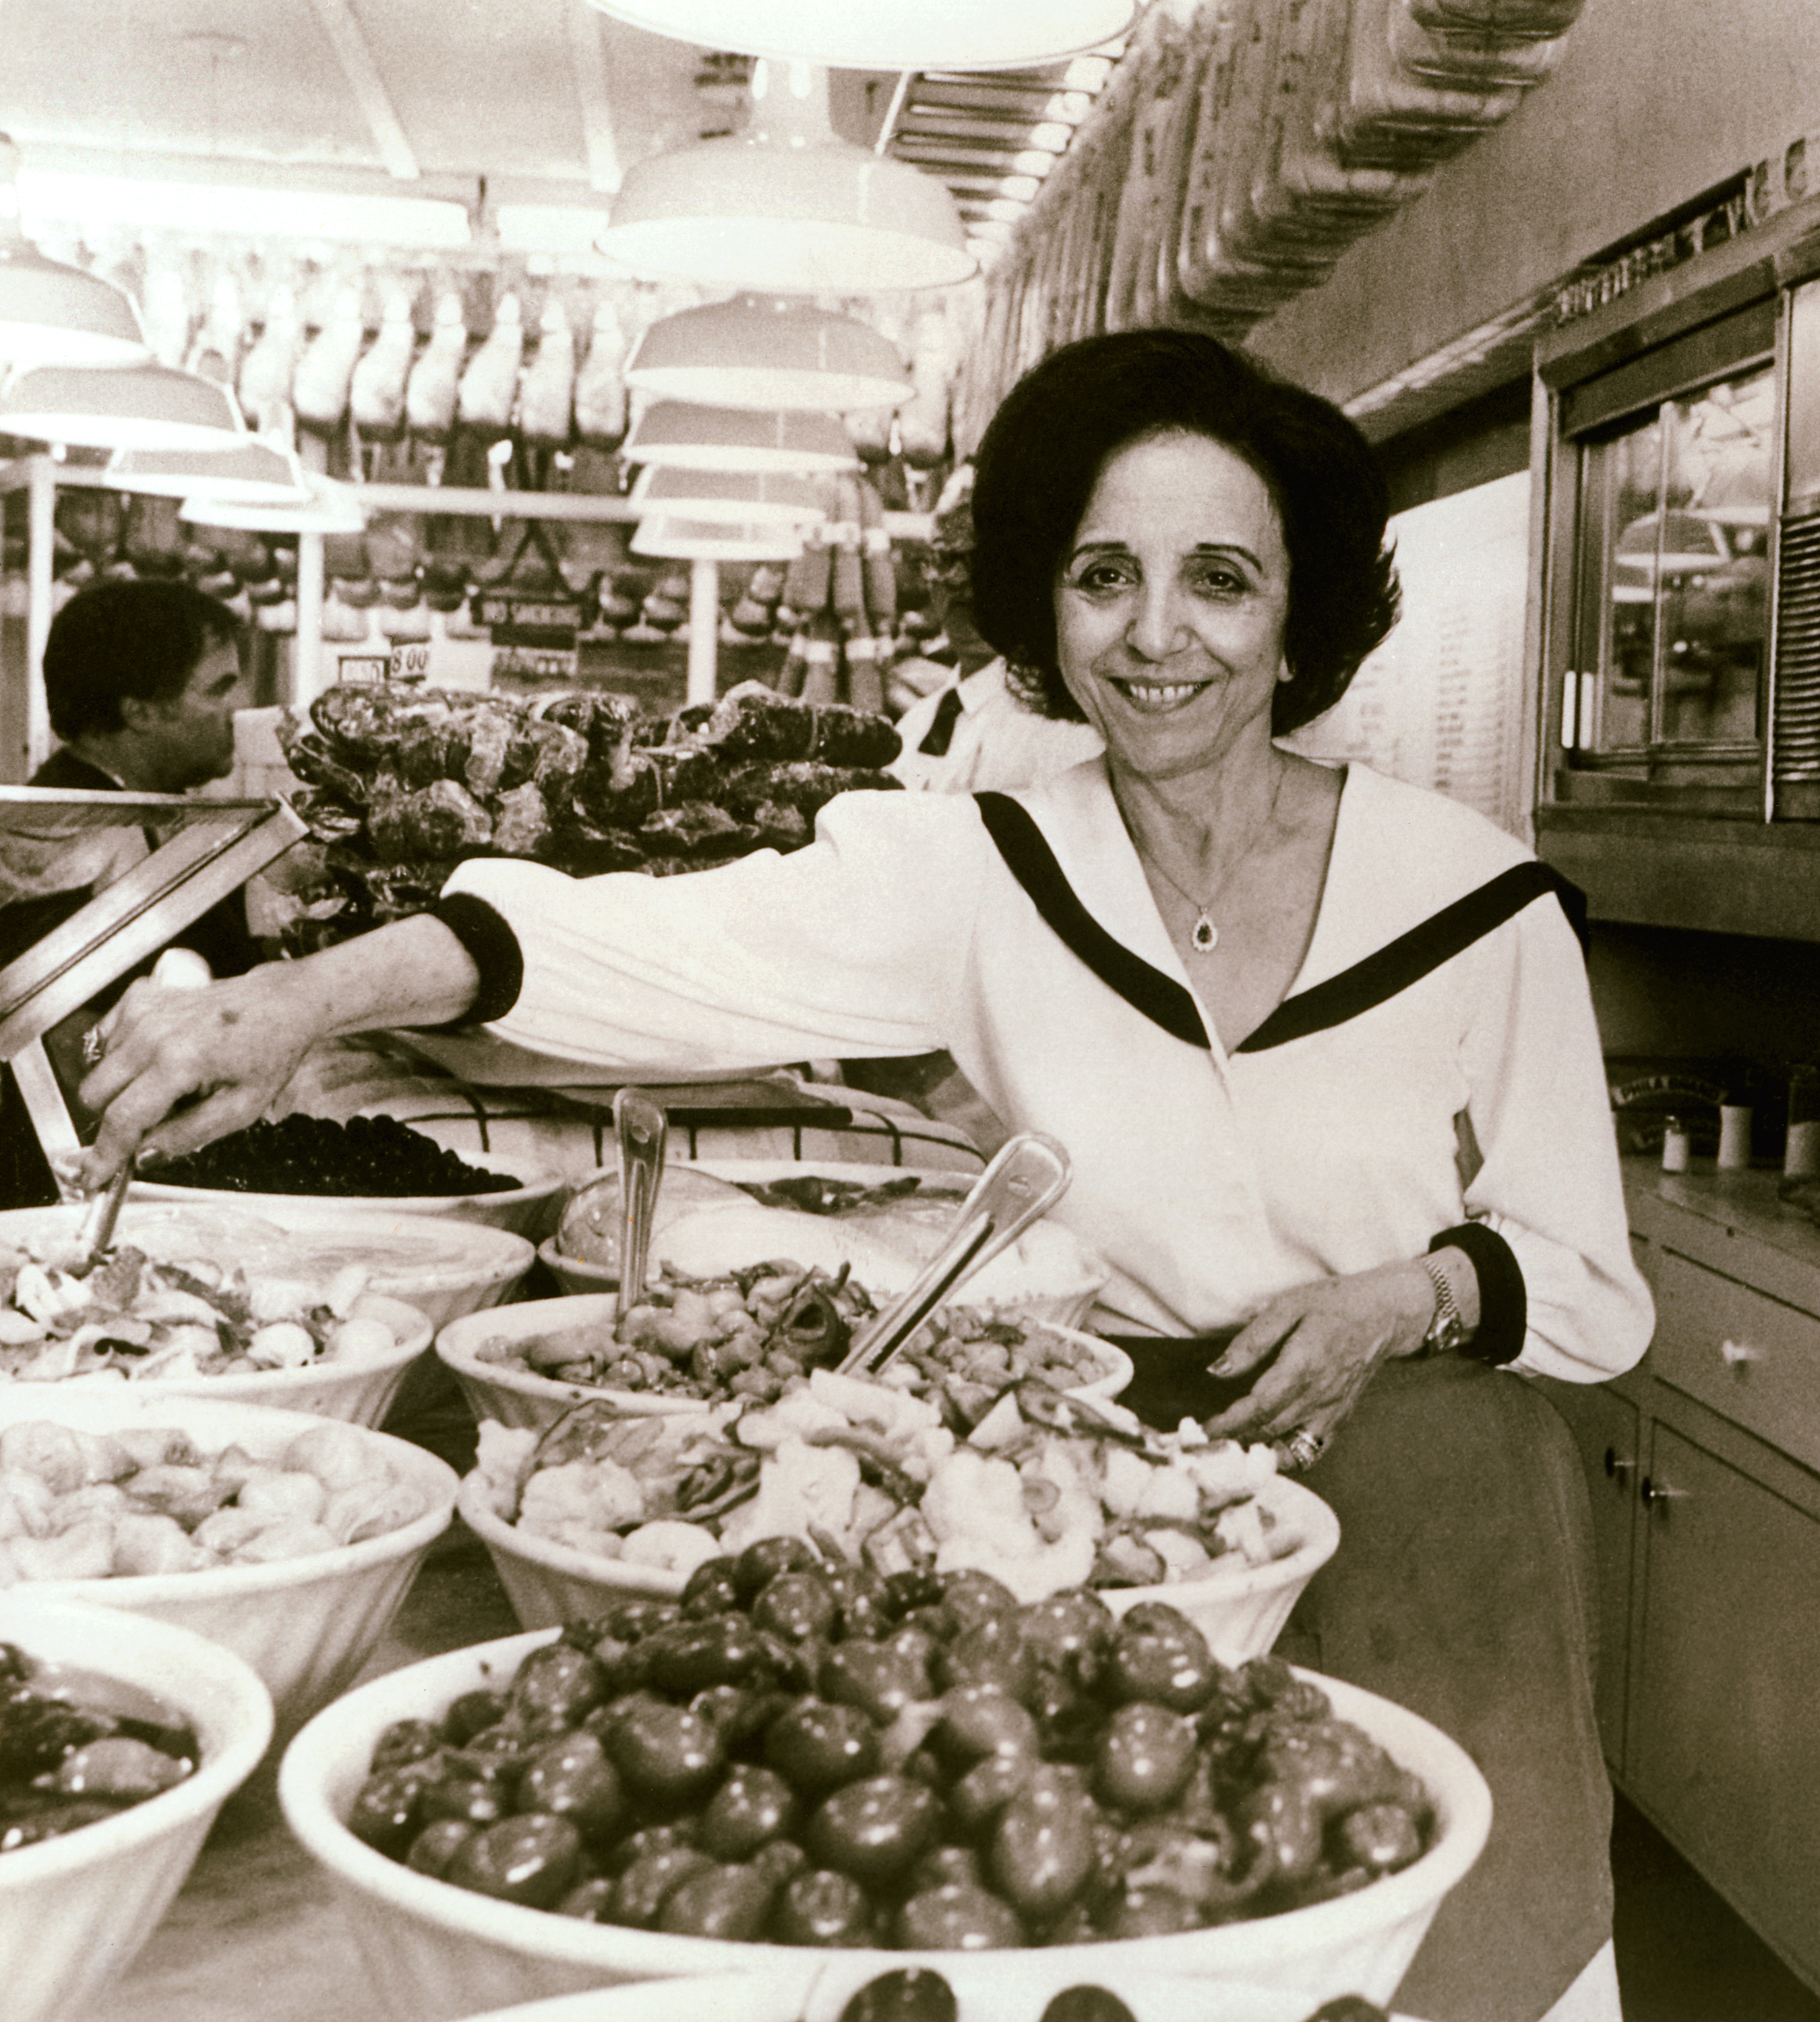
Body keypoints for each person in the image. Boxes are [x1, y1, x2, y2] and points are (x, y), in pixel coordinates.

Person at [74, 330, 1651, 2022]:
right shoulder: (982, 863)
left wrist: (1402, 1294)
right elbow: (653, 943)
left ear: (1297, 613)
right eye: (1100, 576)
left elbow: (1585, 1282)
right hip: (1098, 1508)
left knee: (1456, 1957)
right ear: (1043, 613)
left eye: (1218, 579)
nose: (1155, 634)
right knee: (1122, 1922)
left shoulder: (1472, 899)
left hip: (1429, 1497)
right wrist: (306, 993)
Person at [889, 463, 1104, 795]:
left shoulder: (1060, 728)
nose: (959, 581)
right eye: (945, 559)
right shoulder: (915, 725)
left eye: (979, 561)